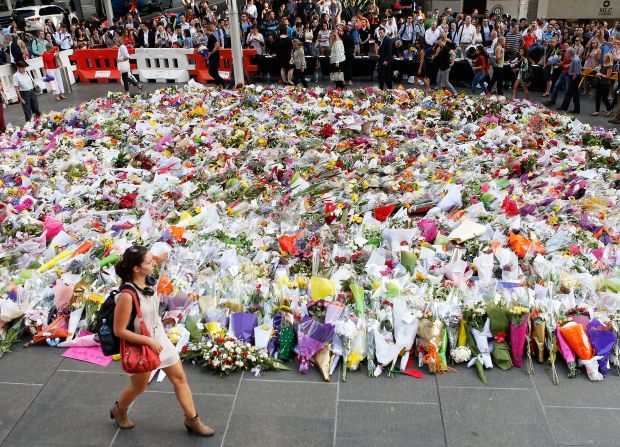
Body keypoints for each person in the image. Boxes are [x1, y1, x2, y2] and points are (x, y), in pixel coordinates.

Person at [110, 245, 214, 437]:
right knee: (139, 386)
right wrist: (148, 342)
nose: (153, 264)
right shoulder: (127, 296)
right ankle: (120, 409)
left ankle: (193, 420)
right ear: (136, 269)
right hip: (143, 346)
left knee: (180, 379)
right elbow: (119, 330)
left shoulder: (148, 283)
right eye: (149, 262)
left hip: (159, 340)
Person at [559, 47, 581, 114]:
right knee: (573, 94)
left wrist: (573, 79)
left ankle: (565, 107)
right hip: (573, 76)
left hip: (574, 77)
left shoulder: (575, 59)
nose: (565, 54)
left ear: (570, 53)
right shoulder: (574, 58)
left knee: (571, 93)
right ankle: (574, 109)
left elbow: (576, 72)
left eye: (566, 52)